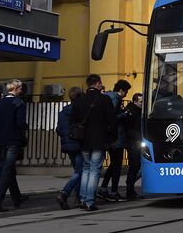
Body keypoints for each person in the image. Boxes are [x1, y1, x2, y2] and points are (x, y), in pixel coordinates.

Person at [71, 74, 116, 211]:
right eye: (100, 83)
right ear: (97, 84)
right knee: (95, 170)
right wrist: (113, 138)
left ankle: (83, 198)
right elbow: (112, 121)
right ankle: (90, 201)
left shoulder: (79, 101)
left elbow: (73, 121)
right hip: (99, 140)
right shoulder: (104, 99)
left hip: (83, 141)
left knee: (86, 169)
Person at [0, 79, 28, 213]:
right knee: (7, 171)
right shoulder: (18, 103)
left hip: (2, 140)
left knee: (9, 169)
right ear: (17, 89)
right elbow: (20, 123)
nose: (21, 91)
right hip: (13, 140)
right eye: (20, 88)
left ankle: (17, 198)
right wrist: (25, 127)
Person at [98, 79, 131, 201]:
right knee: (116, 165)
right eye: (126, 91)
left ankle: (104, 188)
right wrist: (125, 114)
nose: (127, 94)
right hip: (116, 137)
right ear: (121, 90)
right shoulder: (115, 99)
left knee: (113, 164)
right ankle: (113, 191)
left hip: (112, 137)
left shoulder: (108, 96)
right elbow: (112, 118)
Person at [55, 87, 84, 210]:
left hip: (67, 144)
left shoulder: (63, 112)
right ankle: (65, 193)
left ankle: (78, 197)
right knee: (80, 171)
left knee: (78, 170)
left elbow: (58, 129)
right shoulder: (79, 110)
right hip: (77, 143)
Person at [124, 93, 143, 200]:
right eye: (141, 102)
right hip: (134, 142)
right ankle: (130, 189)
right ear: (135, 101)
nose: (142, 104)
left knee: (137, 167)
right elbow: (129, 129)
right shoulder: (132, 112)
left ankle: (130, 188)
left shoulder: (136, 111)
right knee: (135, 166)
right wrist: (139, 136)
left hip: (136, 141)